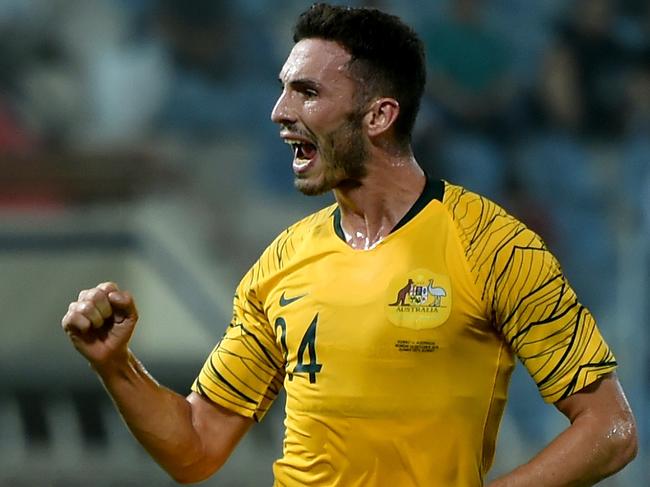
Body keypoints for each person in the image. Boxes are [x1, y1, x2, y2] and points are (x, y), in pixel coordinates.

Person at [61, 3, 638, 486]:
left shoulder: (493, 245)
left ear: (379, 114)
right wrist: (117, 366)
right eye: (283, 90)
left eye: (306, 92)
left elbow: (610, 429)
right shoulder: (283, 261)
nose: (280, 112)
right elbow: (195, 446)